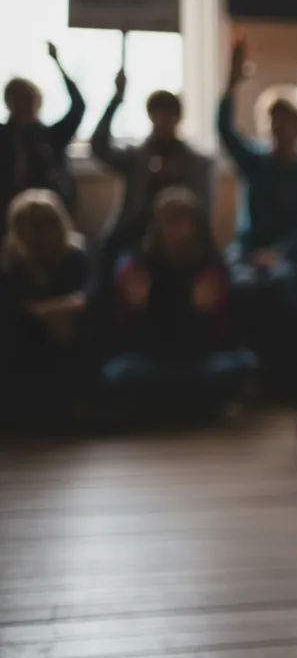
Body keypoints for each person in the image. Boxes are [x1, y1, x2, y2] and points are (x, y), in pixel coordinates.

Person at [217, 36, 297, 387]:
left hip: (289, 258)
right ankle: (243, 371)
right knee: (240, 288)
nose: (281, 129)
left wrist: (279, 253)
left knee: (283, 286)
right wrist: (231, 83)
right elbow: (224, 131)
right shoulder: (255, 162)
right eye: (275, 121)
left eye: (288, 122)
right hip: (247, 253)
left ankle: (289, 373)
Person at [102, 188, 257, 424]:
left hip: (198, 360)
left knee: (242, 366)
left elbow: (225, 335)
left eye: (184, 220)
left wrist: (204, 312)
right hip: (152, 360)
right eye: (169, 221)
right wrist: (135, 307)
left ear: (196, 225)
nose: (177, 228)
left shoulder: (210, 265)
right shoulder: (140, 265)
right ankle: (188, 406)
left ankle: (169, 406)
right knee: (119, 374)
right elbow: (128, 334)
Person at [91, 71, 215, 301]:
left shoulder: (196, 162)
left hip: (183, 235)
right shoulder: (137, 156)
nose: (163, 119)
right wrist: (115, 100)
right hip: (136, 232)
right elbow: (98, 147)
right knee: (109, 262)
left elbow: (202, 211)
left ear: (178, 117)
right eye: (158, 113)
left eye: (169, 113)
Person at [0, 188, 91, 427]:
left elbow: (88, 296)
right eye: (31, 226)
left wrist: (61, 309)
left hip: (68, 329)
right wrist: (41, 313)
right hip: (27, 335)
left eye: (47, 224)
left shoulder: (76, 258)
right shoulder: (10, 264)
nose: (40, 234)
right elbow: (11, 307)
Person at [0, 42, 85, 239]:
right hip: (7, 214)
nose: (24, 105)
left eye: (28, 99)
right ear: (8, 103)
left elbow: (78, 107)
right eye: (17, 99)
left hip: (53, 213)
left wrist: (58, 64)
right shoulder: (4, 136)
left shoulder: (51, 136)